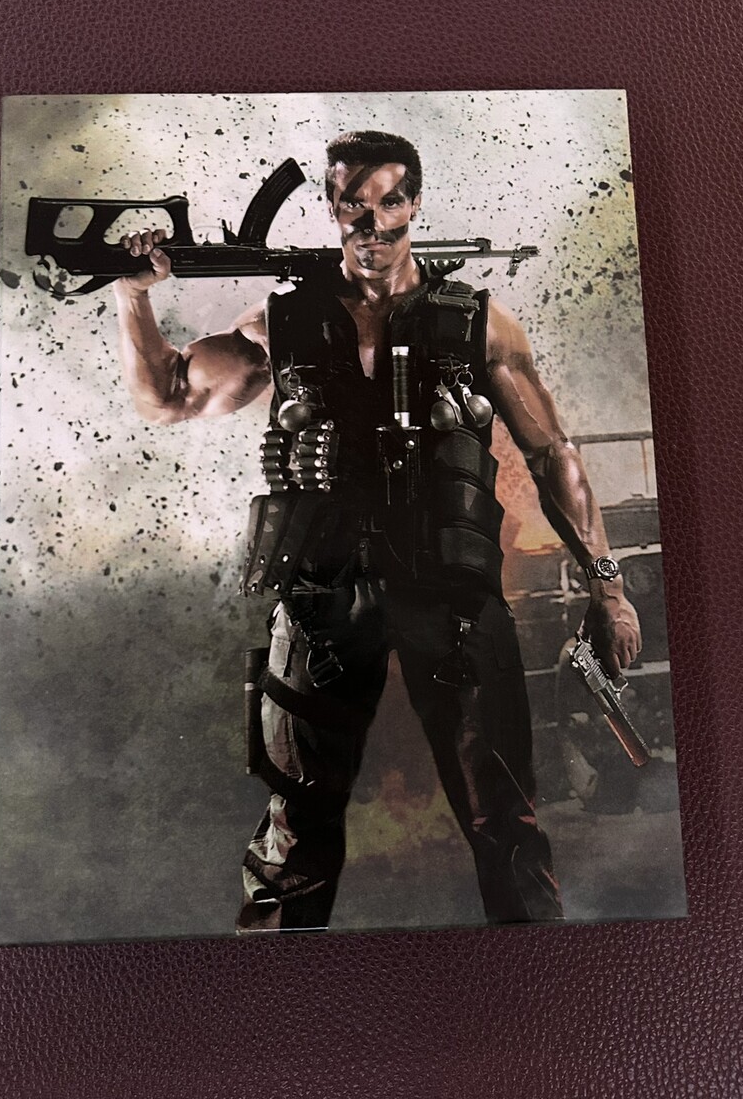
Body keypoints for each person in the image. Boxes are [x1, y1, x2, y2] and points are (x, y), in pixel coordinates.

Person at [112, 130, 641, 933]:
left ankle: (540, 997)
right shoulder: (282, 324)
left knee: (506, 823)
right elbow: (168, 398)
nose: (372, 223)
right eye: (353, 204)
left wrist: (609, 587)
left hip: (452, 598)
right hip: (321, 601)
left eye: (390, 201)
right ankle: (270, 1009)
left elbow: (553, 454)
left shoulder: (478, 323)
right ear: (331, 207)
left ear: (415, 203)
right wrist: (132, 297)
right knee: (293, 841)